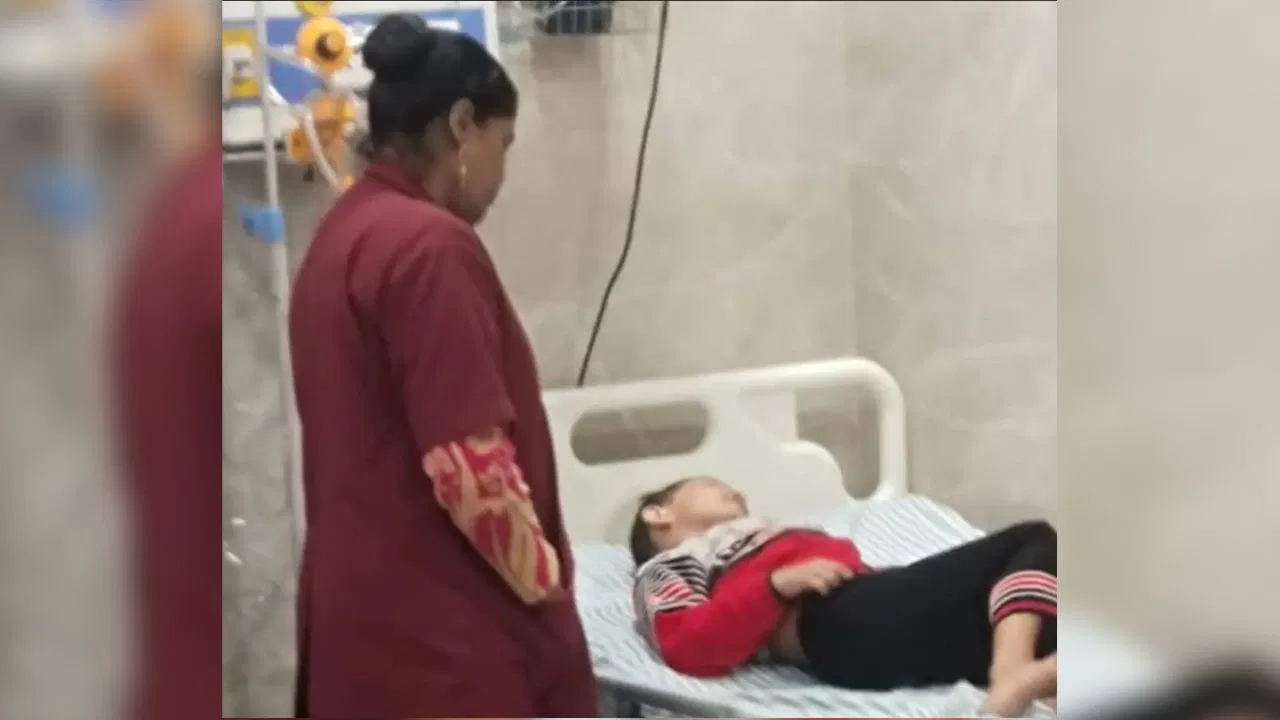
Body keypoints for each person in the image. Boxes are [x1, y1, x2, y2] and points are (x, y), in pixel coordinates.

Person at [288, 14, 596, 718]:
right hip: (446, 647)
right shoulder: (429, 246)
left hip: (362, 630)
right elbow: (469, 469)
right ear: (462, 125)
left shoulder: (344, 231)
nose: (501, 174)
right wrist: (545, 587)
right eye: (502, 143)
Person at [630, 476, 1057, 717]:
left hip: (873, 616)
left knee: (1058, 603)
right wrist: (775, 585)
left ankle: (1035, 674)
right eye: (712, 483)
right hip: (834, 621)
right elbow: (687, 643)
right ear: (658, 512)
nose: (737, 491)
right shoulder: (671, 564)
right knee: (1033, 539)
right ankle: (1011, 674)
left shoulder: (767, 533)